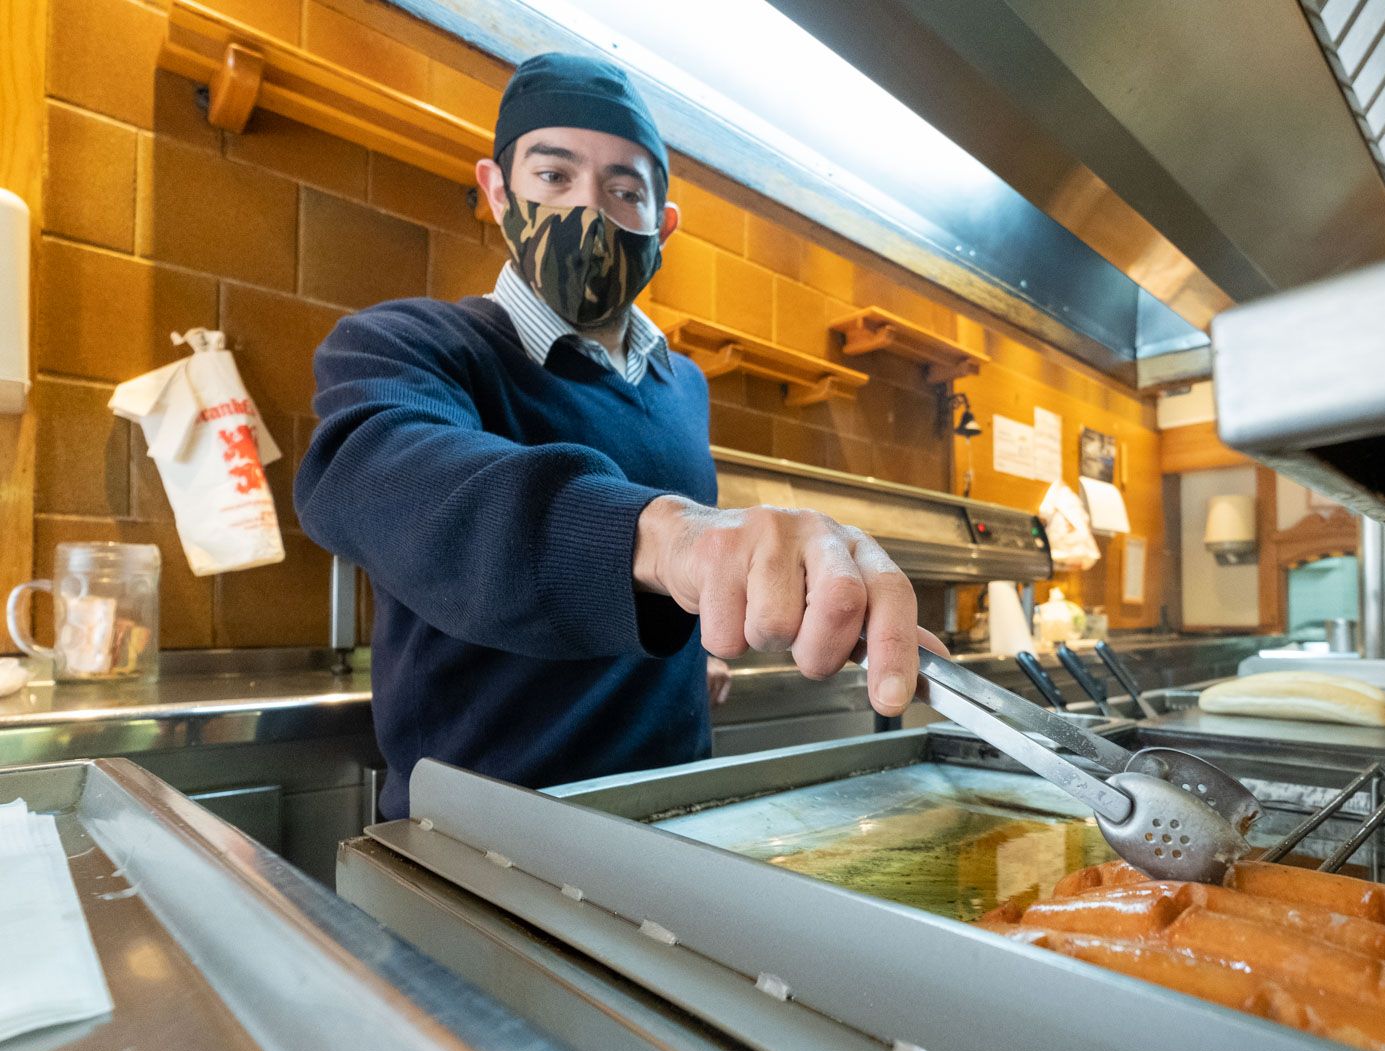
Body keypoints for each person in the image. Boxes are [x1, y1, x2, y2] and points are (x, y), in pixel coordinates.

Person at [295, 53, 934, 817]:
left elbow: (649, 599)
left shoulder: (681, 386)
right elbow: (383, 478)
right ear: (498, 192)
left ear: (661, 227)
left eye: (624, 190)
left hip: (668, 807)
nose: (588, 211)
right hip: (483, 823)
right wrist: (677, 537)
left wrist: (683, 655)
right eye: (554, 177)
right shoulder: (410, 343)